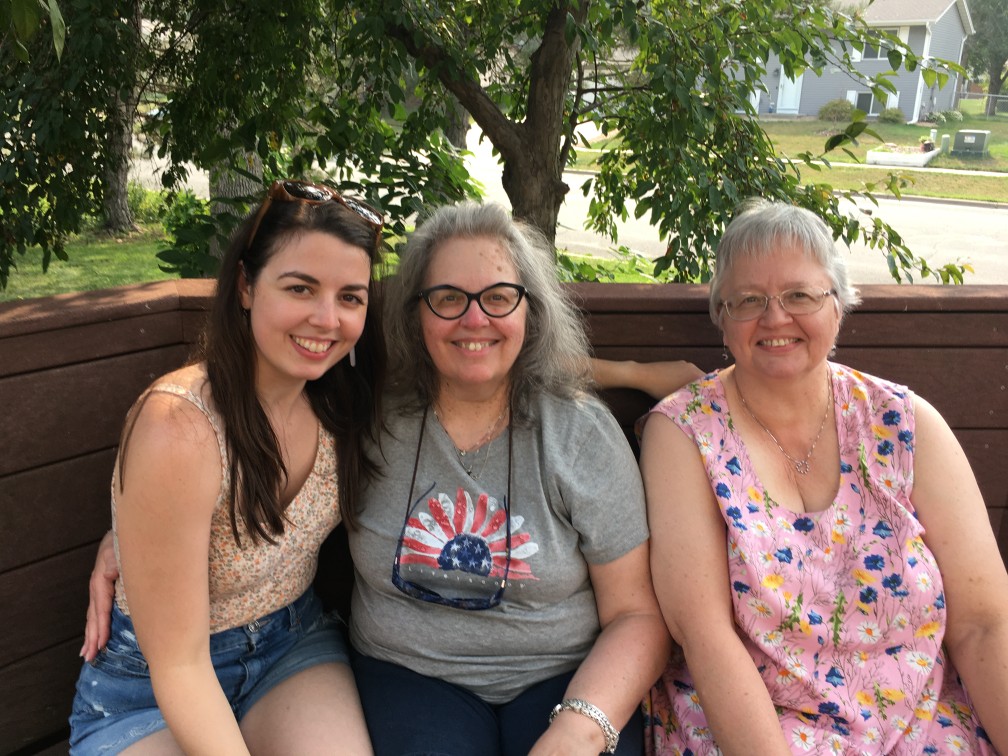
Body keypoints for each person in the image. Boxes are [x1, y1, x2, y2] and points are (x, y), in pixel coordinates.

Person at [638, 199, 1008, 754]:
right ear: (722, 316)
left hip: (926, 722)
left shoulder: (904, 422)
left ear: (838, 306)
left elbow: (983, 624)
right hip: (764, 728)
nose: (775, 317)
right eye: (748, 300)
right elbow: (705, 636)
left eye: (799, 295)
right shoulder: (685, 434)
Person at [69, 180, 384, 755]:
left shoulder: (343, 399)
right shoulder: (181, 427)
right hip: (151, 684)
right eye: (300, 287)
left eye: (350, 297)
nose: (326, 318)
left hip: (291, 646)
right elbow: (181, 667)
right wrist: (132, 531)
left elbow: (484, 352)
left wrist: (610, 374)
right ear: (245, 284)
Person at [346, 201, 671, 755]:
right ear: (414, 313)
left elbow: (637, 614)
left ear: (530, 312)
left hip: (564, 676)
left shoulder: (579, 433)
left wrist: (578, 728)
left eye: (498, 297)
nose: (475, 320)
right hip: (408, 676)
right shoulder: (370, 422)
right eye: (448, 298)